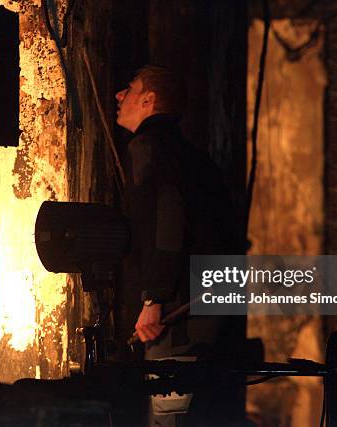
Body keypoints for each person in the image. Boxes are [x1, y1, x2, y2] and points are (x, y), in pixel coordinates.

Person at [115, 65, 243, 426]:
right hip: (205, 309)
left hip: (178, 316)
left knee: (169, 415)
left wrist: (153, 300)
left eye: (129, 88)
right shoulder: (193, 158)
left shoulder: (148, 146)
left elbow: (168, 219)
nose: (119, 97)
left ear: (148, 100)